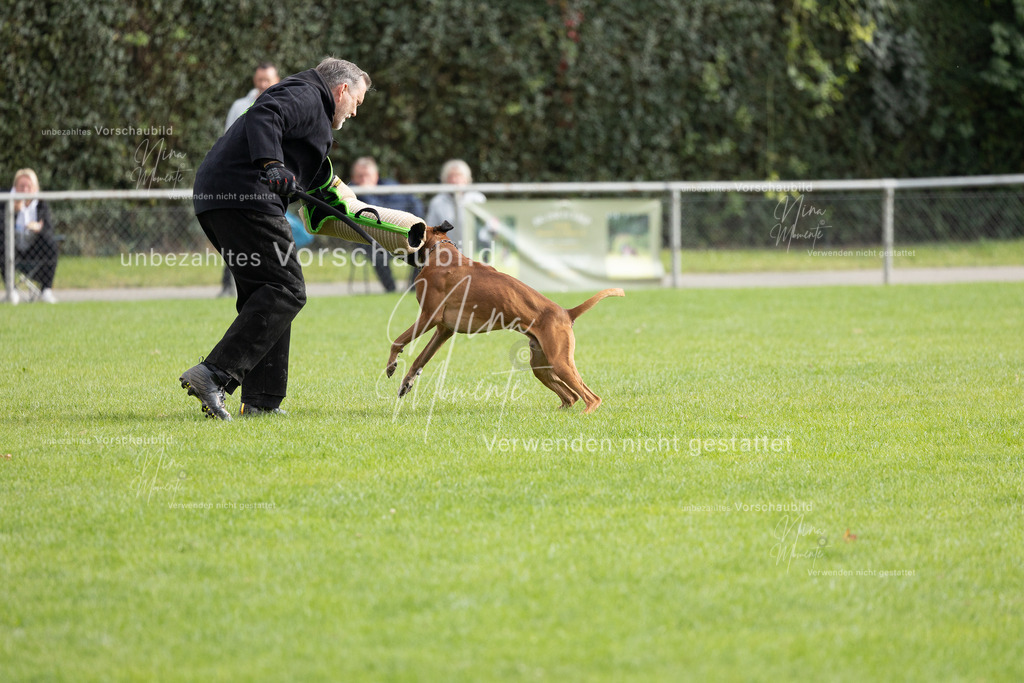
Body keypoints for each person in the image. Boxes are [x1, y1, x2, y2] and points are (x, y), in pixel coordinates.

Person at [179, 57, 371, 420]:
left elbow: (313, 180)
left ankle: (262, 400)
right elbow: (265, 114)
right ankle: (213, 374)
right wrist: (271, 164)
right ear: (342, 89)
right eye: (357, 103)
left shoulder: (311, 109)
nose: (354, 113)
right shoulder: (307, 93)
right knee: (287, 289)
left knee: (266, 292)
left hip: (221, 196)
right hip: (245, 196)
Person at [218, 62, 281, 298]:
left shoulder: (282, 104)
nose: (263, 84)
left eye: (268, 80)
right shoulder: (240, 106)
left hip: (268, 183)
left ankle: (270, 282)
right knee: (236, 235)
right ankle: (229, 284)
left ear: (276, 80)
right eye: (260, 80)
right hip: (241, 180)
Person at [349, 156, 424, 293]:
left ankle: (413, 290)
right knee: (378, 255)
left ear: (376, 176)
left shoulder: (390, 186)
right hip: (369, 240)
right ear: (353, 177)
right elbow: (376, 213)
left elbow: (414, 203)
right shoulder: (350, 193)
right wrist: (366, 193)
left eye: (367, 175)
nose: (364, 180)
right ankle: (391, 290)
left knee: (422, 250)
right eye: (360, 176)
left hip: (401, 235)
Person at [409, 159, 486, 284]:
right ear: (445, 180)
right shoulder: (437, 202)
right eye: (451, 176)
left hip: (475, 246)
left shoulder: (478, 199)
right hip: (445, 249)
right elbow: (430, 228)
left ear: (466, 179)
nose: (455, 180)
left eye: (459, 176)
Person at [2, 169, 59, 304]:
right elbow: (1, 229)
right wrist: (13, 213)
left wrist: (39, 228)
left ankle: (46, 290)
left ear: (35, 188)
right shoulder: (5, 200)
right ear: (15, 187)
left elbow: (49, 230)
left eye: (29, 186)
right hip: (12, 250)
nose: (25, 190)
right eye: (21, 186)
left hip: (34, 251)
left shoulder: (41, 204)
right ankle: (11, 292)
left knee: (51, 243)